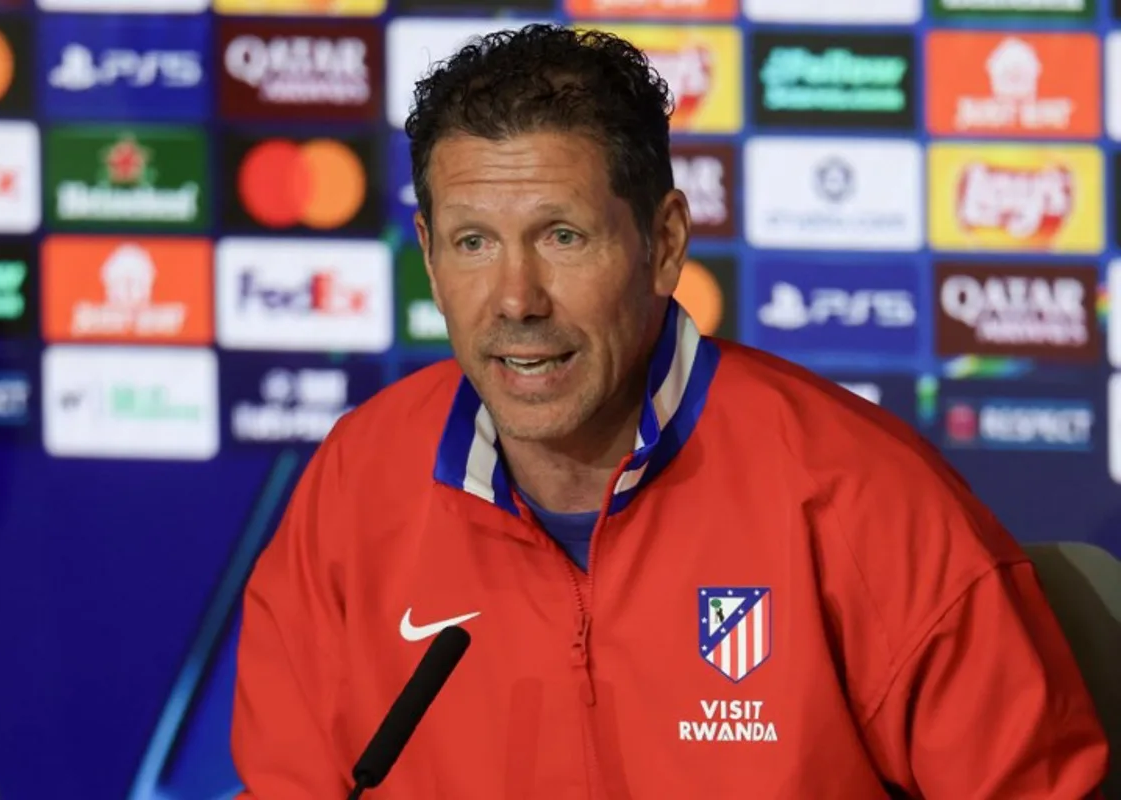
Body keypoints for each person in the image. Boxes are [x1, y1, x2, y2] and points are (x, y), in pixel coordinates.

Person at [231, 24, 1109, 799]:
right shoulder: (353, 489)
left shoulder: (862, 498)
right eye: (473, 243)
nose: (514, 299)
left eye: (562, 236)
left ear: (663, 244)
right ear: (426, 256)